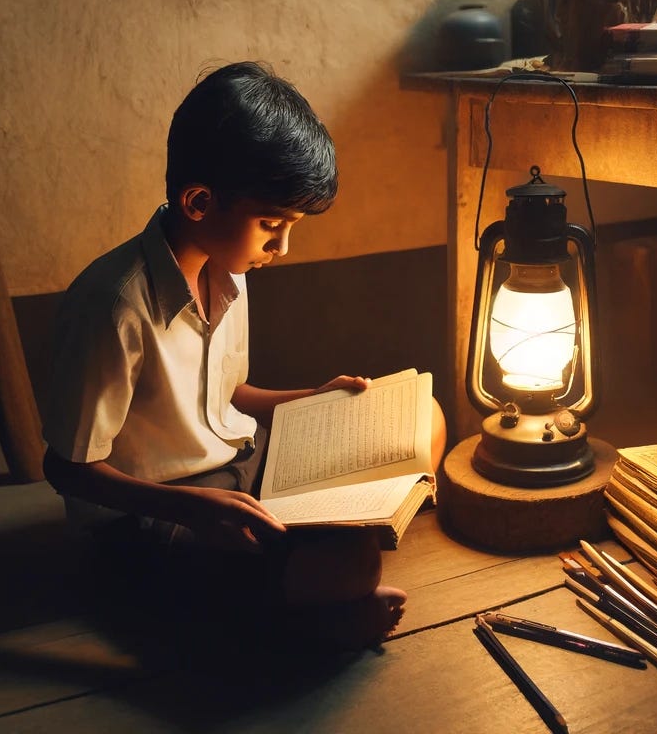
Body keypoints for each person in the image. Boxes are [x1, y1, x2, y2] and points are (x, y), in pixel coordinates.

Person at [41, 60, 447, 653]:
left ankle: (307, 594)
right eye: (271, 225)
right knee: (345, 568)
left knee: (425, 415)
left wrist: (311, 401)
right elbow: (65, 467)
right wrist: (194, 507)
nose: (281, 247)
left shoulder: (228, 270)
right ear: (200, 201)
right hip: (154, 510)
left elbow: (230, 396)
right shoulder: (115, 307)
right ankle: (304, 623)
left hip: (244, 469)